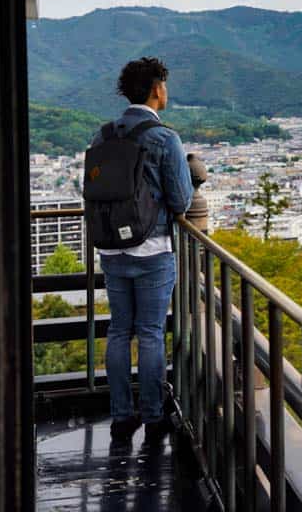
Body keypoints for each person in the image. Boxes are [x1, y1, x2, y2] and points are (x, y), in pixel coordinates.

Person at [93, 57, 193, 444]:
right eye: (164, 85)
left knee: (119, 331)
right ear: (156, 89)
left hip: (111, 248)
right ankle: (153, 416)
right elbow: (181, 200)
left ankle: (121, 416)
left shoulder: (104, 135)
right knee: (150, 333)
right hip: (152, 247)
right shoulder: (164, 137)